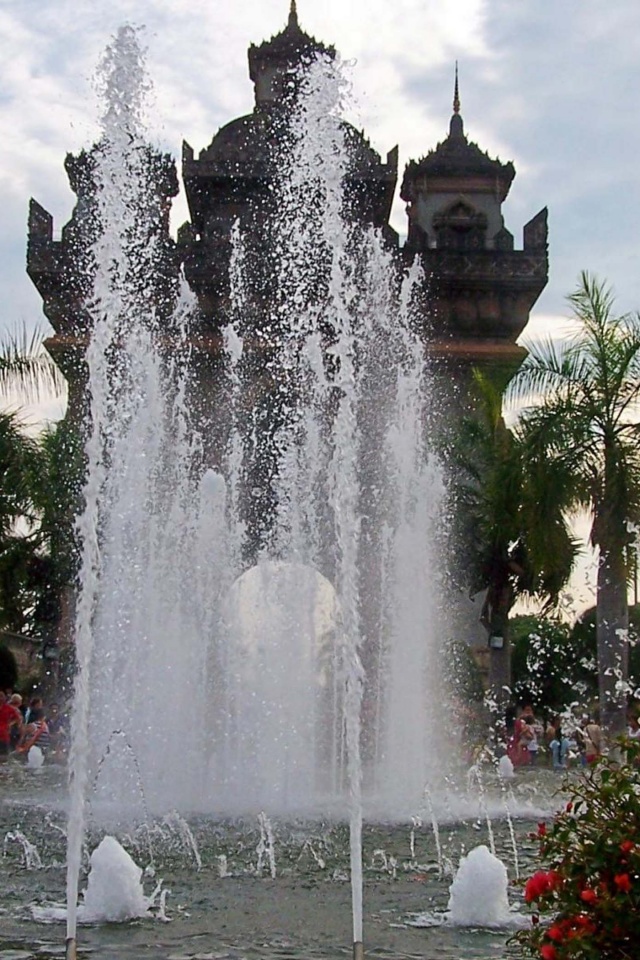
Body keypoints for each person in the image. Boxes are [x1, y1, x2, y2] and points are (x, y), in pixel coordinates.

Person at [0, 690, 22, 761]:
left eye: (2, 696)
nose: (0, 698)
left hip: (4, 734)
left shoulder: (8, 708)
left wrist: (10, 724)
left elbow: (18, 718)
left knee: (4, 756)